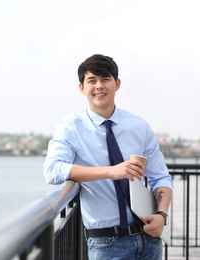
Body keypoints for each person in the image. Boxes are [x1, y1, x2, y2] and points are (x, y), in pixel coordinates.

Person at [43, 54, 172, 259]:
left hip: (149, 238)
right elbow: (53, 171)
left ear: (117, 84)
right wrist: (110, 172)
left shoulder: (138, 126)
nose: (99, 86)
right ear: (82, 88)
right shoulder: (70, 127)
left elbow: (160, 177)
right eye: (92, 81)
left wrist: (162, 216)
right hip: (106, 244)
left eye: (105, 79)